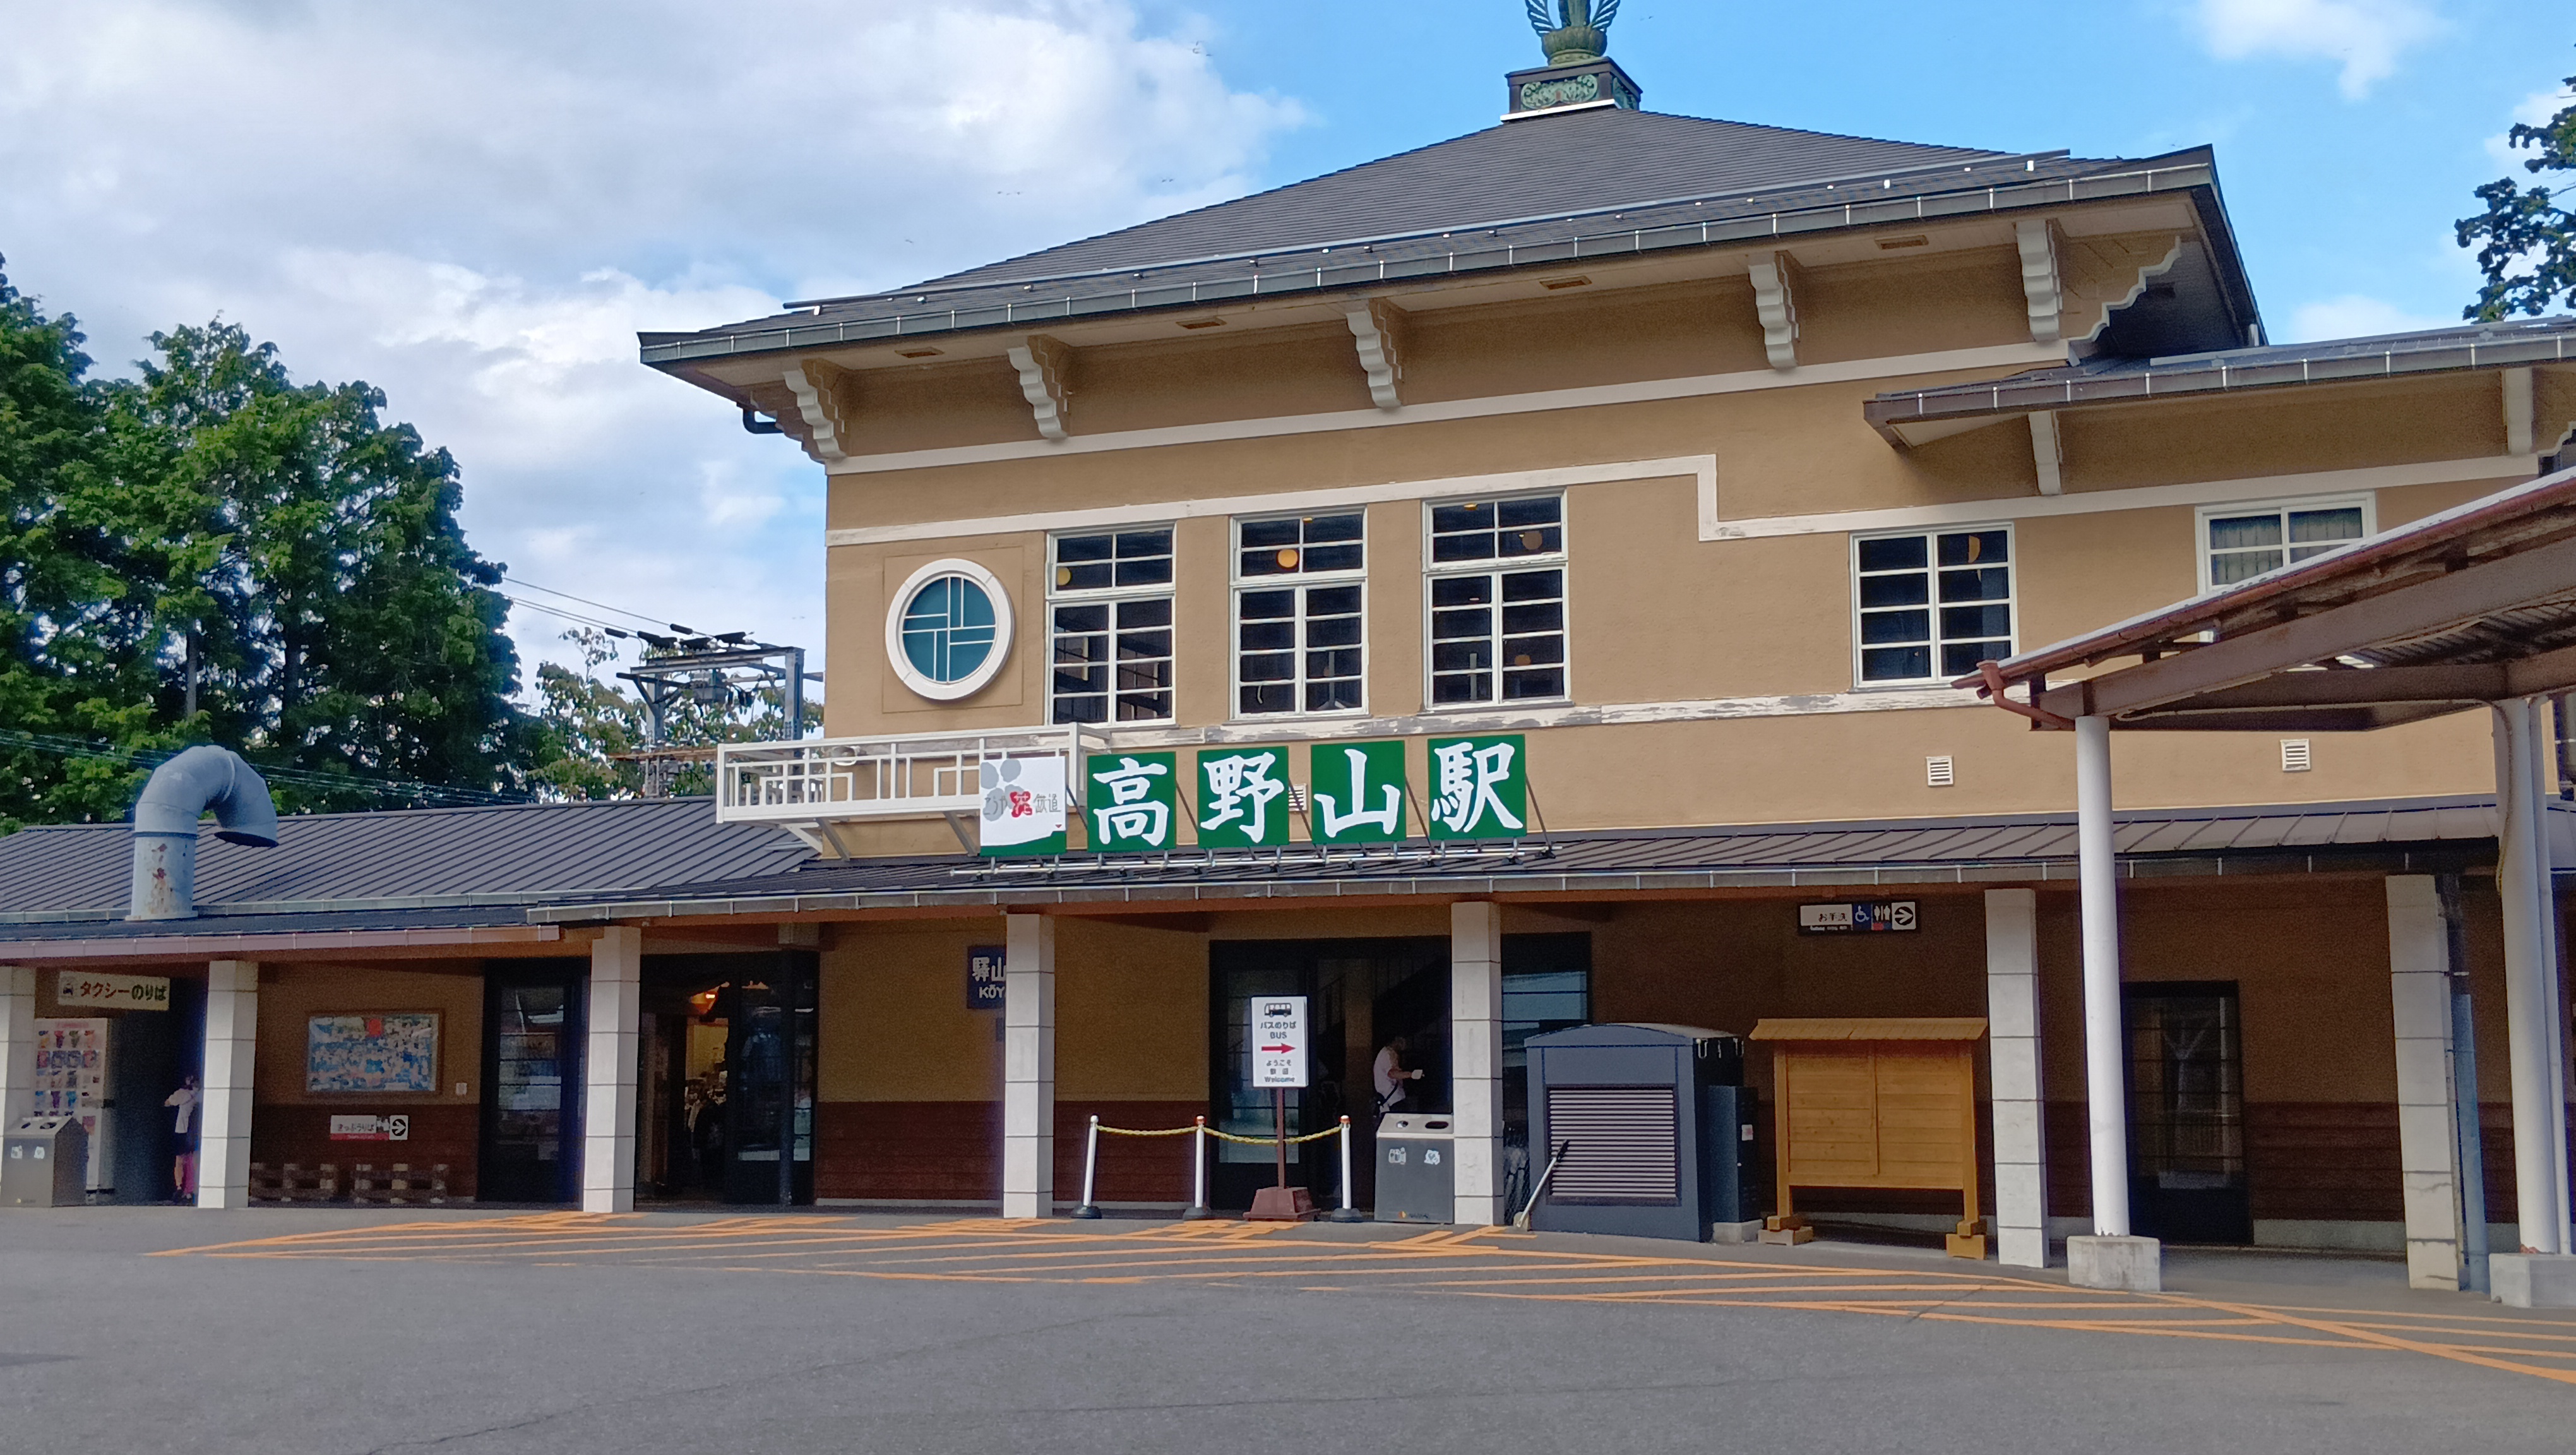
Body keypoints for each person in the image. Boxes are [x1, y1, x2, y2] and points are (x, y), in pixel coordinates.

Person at [163, 1074, 200, 1203]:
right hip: (194, 1132)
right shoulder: (200, 1096)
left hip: (181, 1130)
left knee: (179, 1160)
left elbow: (168, 1102)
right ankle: (189, 1190)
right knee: (191, 1159)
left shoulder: (182, 1093)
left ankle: (179, 1186)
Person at [1371, 1036, 1423, 1115]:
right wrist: (1411, 1075)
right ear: (1396, 1042)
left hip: (1391, 1099)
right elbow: (1392, 1073)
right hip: (1392, 1100)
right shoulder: (1387, 1054)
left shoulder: (1387, 1053)